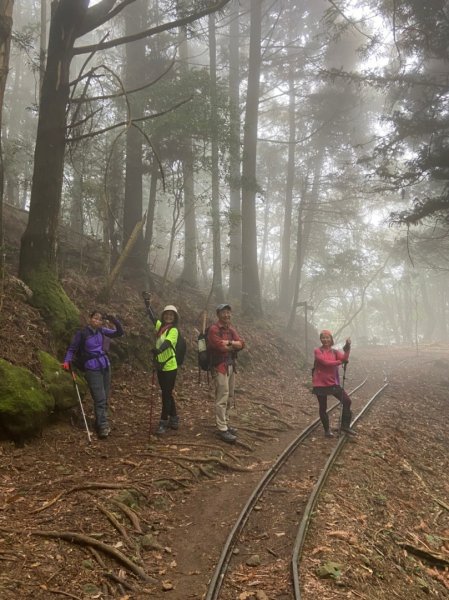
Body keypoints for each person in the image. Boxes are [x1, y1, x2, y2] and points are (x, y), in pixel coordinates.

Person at [63, 311, 124, 439]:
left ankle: (101, 421)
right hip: (92, 368)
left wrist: (114, 320)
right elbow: (72, 349)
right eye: (94, 318)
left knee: (105, 397)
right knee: (99, 398)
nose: (97, 321)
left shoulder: (102, 331)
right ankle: (102, 425)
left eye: (99, 319)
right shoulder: (82, 333)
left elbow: (119, 333)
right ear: (89, 318)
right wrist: (66, 361)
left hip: (105, 365)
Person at [207, 303, 245, 443]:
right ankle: (222, 428)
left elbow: (241, 344)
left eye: (228, 312)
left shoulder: (231, 329)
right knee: (222, 396)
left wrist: (230, 343)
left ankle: (226, 423)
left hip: (230, 365)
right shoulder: (213, 329)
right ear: (218, 314)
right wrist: (233, 344)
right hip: (219, 366)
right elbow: (220, 346)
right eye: (224, 312)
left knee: (230, 395)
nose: (227, 315)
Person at [144, 294, 180, 435]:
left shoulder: (174, 330)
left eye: (171, 315)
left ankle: (163, 421)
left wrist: (158, 350)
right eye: (167, 314)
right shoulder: (161, 328)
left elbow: (167, 343)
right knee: (166, 392)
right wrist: (148, 305)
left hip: (170, 367)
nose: (169, 316)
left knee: (165, 394)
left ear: (175, 317)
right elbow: (153, 318)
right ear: (164, 316)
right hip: (160, 366)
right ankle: (175, 417)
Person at [312, 330, 356, 437]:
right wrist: (339, 362)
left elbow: (345, 358)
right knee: (323, 407)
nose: (325, 340)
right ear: (320, 339)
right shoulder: (317, 351)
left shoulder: (335, 352)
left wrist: (348, 346)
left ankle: (345, 426)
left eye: (327, 338)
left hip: (332, 383)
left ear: (331, 339)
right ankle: (327, 431)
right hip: (320, 384)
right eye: (323, 338)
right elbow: (325, 363)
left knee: (347, 401)